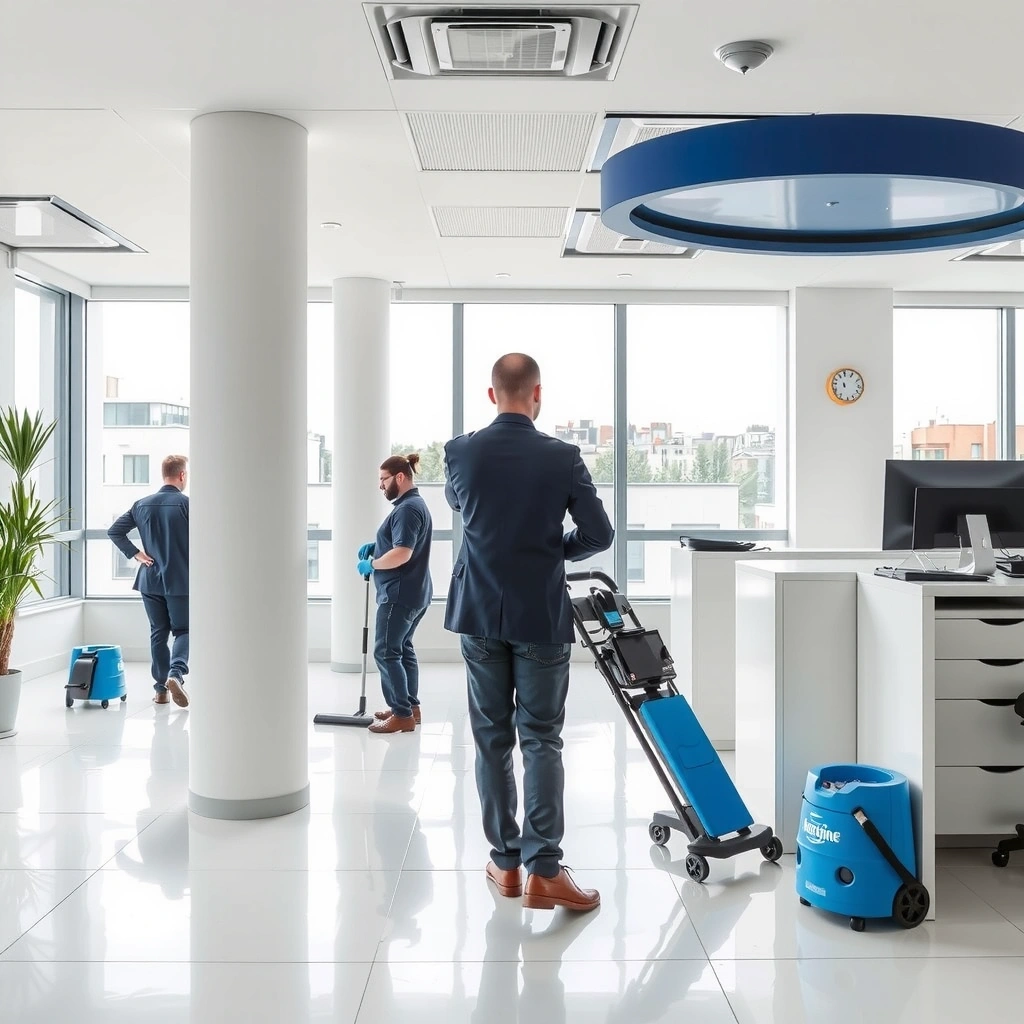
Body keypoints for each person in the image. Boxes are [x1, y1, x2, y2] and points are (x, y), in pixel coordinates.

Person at [443, 353, 614, 912]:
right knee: (542, 738)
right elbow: (598, 533)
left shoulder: (460, 452)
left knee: (492, 738)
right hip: (539, 614)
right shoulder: (562, 457)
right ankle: (545, 869)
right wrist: (551, 553)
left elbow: (466, 510)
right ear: (538, 393)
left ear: (492, 395)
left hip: (479, 615)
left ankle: (505, 862)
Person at [355, 453, 433, 735]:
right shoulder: (413, 505)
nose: (380, 486)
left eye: (383, 479)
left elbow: (402, 553)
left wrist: (372, 564)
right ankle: (410, 707)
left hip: (399, 593)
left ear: (400, 477)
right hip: (415, 590)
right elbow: (398, 542)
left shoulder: (407, 509)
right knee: (403, 649)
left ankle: (402, 715)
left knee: (386, 651)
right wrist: (376, 545)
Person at [108, 454, 190, 707]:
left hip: (150, 580)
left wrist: (136, 554)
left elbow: (115, 531)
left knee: (158, 633)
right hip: (180, 580)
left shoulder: (141, 504)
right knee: (185, 630)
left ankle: (161, 689)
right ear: (182, 475)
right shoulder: (188, 505)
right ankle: (176, 674)